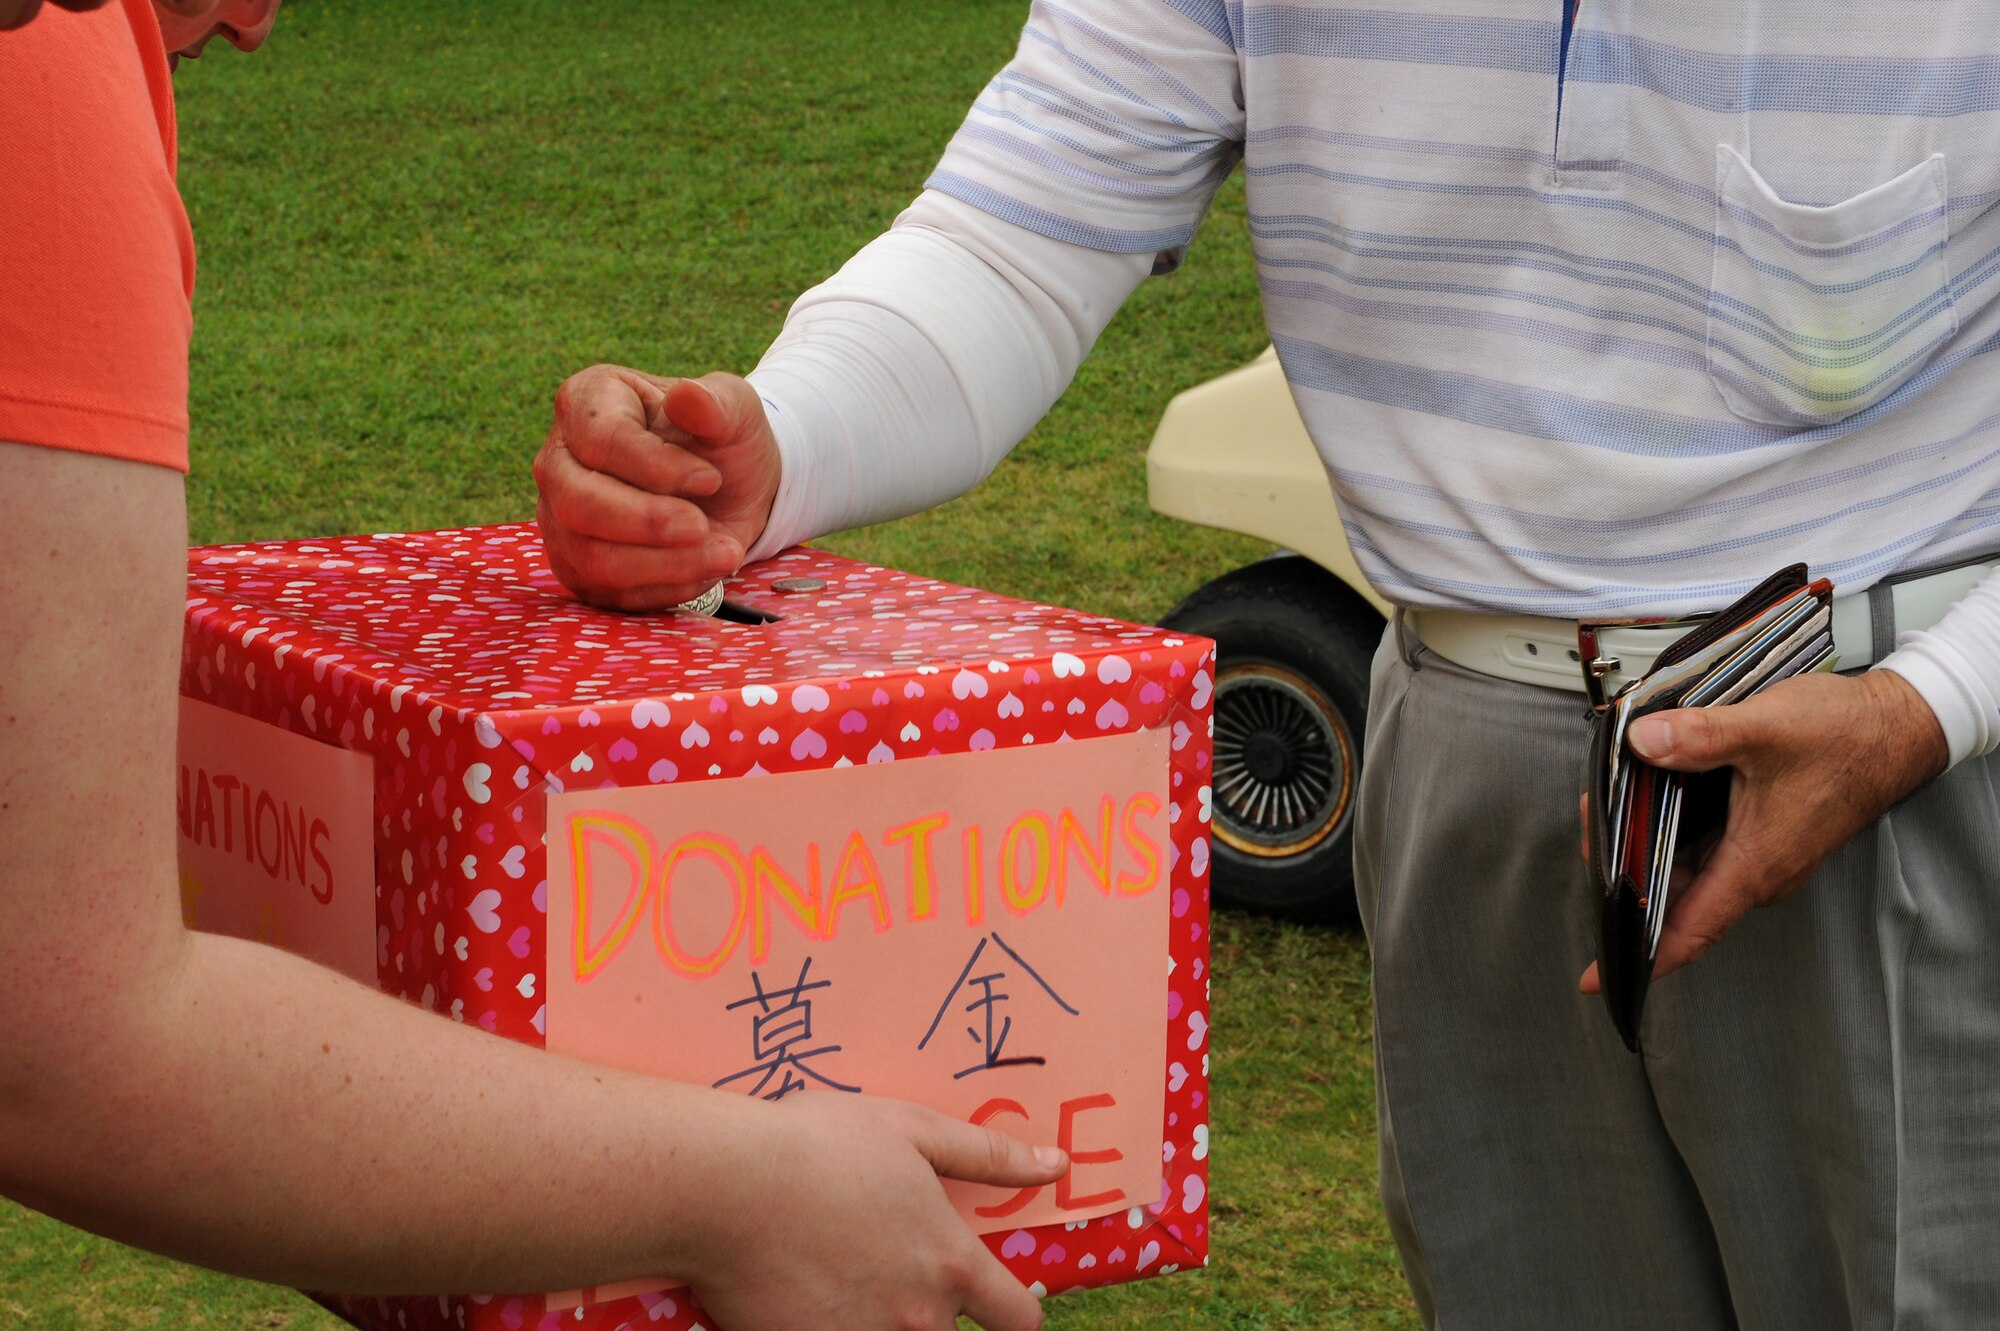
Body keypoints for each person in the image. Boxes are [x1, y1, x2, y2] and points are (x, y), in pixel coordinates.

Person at [535, 2, 2000, 1326]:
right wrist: (768, 448)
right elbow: (1017, 231)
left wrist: (1929, 708)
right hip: (1464, 738)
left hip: (1891, 747)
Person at [0, 4, 1067, 1329]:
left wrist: (772, 452)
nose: (263, 25)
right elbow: (53, 1034)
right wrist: (751, 1189)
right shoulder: (42, 65)